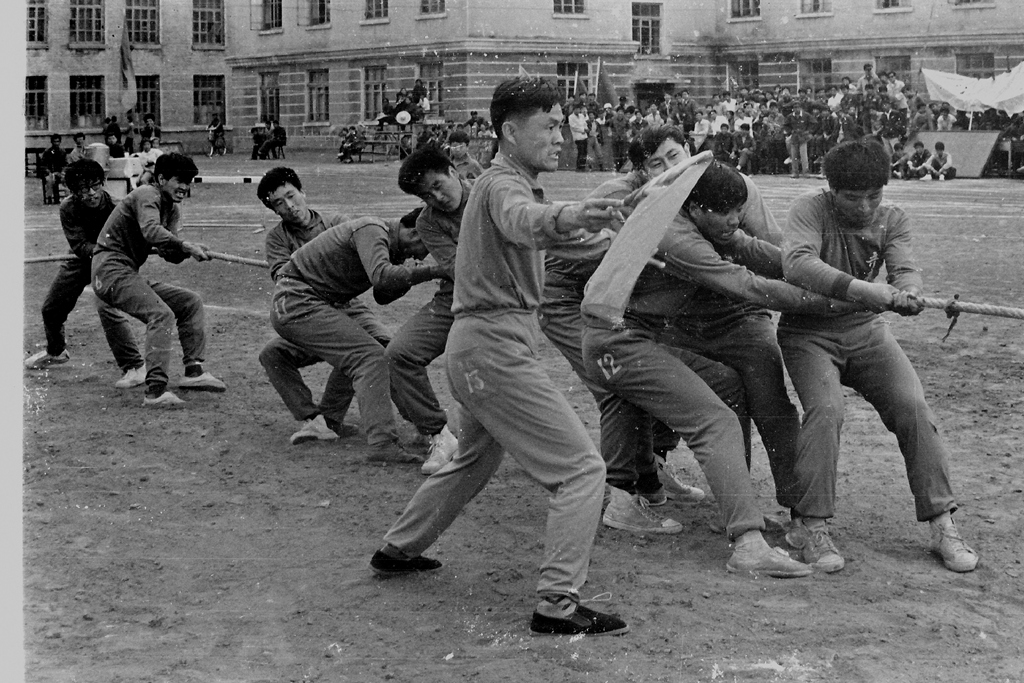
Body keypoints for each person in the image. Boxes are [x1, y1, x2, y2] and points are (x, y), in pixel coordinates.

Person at [372, 76, 632, 637]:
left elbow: (549, 236)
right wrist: (578, 215)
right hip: (493, 349)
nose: (560, 137)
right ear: (511, 132)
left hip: (480, 348)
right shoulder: (502, 186)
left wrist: (614, 232)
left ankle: (397, 549)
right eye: (549, 126)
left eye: (561, 125)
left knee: (474, 459)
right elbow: (527, 222)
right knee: (582, 470)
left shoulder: (505, 185)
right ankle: (557, 603)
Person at [580, 161, 821, 579]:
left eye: (738, 211)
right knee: (716, 420)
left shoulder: (696, 220)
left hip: (634, 337)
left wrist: (832, 278)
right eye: (723, 212)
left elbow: (756, 252)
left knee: (728, 385)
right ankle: (747, 544)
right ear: (695, 208)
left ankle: (737, 510)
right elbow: (746, 284)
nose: (734, 220)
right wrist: (834, 300)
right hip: (616, 342)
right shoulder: (678, 237)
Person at [779, 140, 978, 575]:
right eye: (853, 197)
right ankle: (810, 526)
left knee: (913, 407)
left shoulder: (894, 218)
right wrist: (865, 289)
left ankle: (942, 523)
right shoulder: (809, 210)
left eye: (875, 195)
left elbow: (904, 267)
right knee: (826, 411)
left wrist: (909, 290)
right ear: (832, 190)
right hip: (809, 334)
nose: (866, 206)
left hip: (866, 331)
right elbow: (797, 264)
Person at [540, 126, 706, 536]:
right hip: (569, 298)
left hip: (617, 299)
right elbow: (566, 242)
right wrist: (620, 245)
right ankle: (621, 497)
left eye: (675, 155)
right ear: (641, 170)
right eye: (656, 163)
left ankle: (651, 474)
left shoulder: (687, 185)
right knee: (617, 384)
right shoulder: (621, 193)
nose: (669, 167)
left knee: (662, 369)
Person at [269, 206, 445, 460]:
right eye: (425, 248)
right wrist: (434, 271)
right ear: (415, 233)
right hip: (299, 301)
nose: (422, 255)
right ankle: (383, 444)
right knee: (370, 357)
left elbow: (382, 295)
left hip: (312, 303)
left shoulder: (388, 242)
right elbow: (382, 278)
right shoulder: (372, 228)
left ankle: (331, 420)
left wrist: (405, 272)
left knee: (373, 347)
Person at [256, 167, 391, 444]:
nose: (289, 206)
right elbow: (284, 279)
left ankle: (331, 418)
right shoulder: (277, 239)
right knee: (273, 355)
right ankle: (313, 419)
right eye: (279, 203)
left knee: (383, 345)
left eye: (291, 196)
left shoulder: (337, 223)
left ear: (302, 192)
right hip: (312, 312)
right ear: (274, 210)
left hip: (348, 306)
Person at [91, 153, 226, 406]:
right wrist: (185, 245)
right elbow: (151, 231)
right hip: (108, 270)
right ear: (161, 179)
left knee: (190, 302)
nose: (185, 187)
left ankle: (194, 371)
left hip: (127, 272)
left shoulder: (172, 208)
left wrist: (188, 250)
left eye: (188, 182)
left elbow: (168, 253)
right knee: (161, 315)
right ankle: (155, 391)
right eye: (179, 181)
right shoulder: (146, 194)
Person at [25, 159, 146, 386]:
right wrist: (103, 250)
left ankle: (134, 366)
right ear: (73, 191)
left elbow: (137, 240)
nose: (91, 193)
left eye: (95, 186)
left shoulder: (118, 207)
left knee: (106, 306)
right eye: (83, 189)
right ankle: (56, 351)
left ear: (103, 182)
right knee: (51, 308)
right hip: (82, 259)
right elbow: (79, 245)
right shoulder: (68, 208)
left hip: (113, 262)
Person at [391, 147, 469, 474]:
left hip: (507, 299)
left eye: (437, 185)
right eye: (426, 195)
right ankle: (439, 434)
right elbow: (459, 269)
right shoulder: (427, 222)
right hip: (458, 296)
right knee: (400, 353)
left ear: (453, 171)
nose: (436, 198)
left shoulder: (490, 195)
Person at [39, 134, 68, 205]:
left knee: (67, 179)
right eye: (55, 141)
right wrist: (48, 171)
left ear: (60, 142)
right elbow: (43, 165)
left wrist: (63, 171)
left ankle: (67, 198)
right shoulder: (47, 152)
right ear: (52, 142)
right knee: (49, 180)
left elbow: (66, 164)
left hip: (59, 173)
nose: (56, 143)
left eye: (58, 141)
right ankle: (49, 198)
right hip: (50, 173)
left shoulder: (62, 152)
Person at [568, 103, 590, 172]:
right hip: (577, 136)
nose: (577, 110)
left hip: (584, 136)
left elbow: (584, 123)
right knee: (580, 151)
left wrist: (586, 129)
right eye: (576, 109)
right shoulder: (571, 117)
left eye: (578, 109)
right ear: (574, 110)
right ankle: (579, 167)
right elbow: (573, 127)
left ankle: (583, 167)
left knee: (585, 152)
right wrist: (582, 130)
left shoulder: (581, 116)